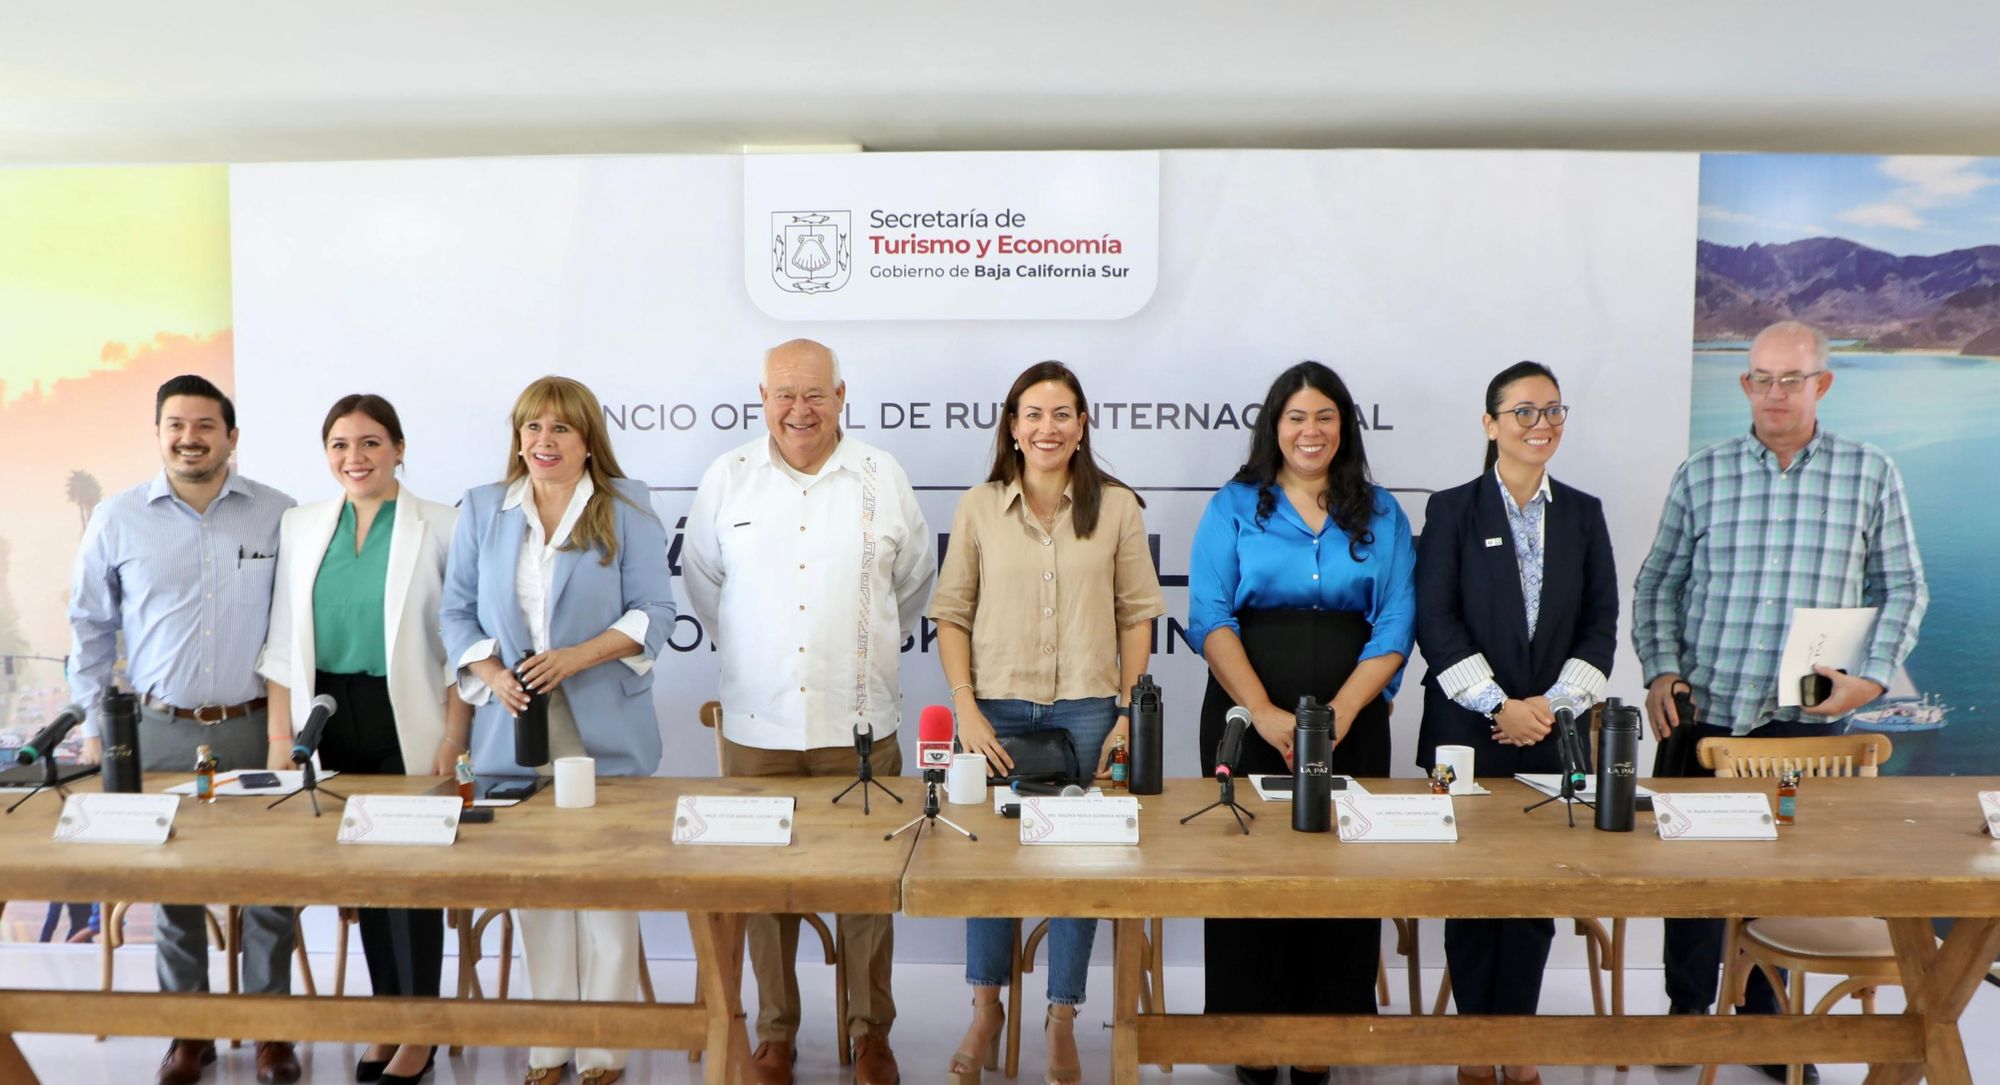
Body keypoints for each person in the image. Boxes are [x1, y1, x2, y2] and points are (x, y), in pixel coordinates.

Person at [1633, 320, 1927, 1085]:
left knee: (1784, 880)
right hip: (1702, 713)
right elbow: (1657, 582)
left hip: (1806, 724)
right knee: (1689, 879)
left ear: (1821, 384)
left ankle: (1768, 1028)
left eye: (1789, 379)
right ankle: (1686, 1016)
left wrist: (1870, 679)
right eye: (1759, 377)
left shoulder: (1871, 473)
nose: (1772, 393)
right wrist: (1661, 671)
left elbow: (1903, 588)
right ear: (1745, 385)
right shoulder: (1702, 472)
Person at [681, 339, 934, 1085]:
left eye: (815, 394)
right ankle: (776, 1035)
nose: (800, 409)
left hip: (860, 724)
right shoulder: (727, 480)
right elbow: (707, 585)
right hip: (757, 726)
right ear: (762, 396)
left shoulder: (880, 476)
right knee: (764, 890)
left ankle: (870, 1033)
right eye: (785, 394)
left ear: (842, 394)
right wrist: (766, 659)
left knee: (867, 888)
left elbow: (912, 584)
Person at [929, 361, 1164, 1085]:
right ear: (1012, 425)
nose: (1047, 427)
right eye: (1033, 414)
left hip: (1091, 710)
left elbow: (1136, 615)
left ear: (1083, 424)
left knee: (1078, 866)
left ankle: (1062, 1015)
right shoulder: (978, 505)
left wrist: (1126, 712)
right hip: (994, 709)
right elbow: (951, 613)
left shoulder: (1118, 508)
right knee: (989, 868)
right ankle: (986, 1005)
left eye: (1062, 413)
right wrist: (965, 706)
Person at [439, 376, 676, 1085]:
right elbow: (455, 614)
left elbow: (653, 614)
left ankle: (603, 1049)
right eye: (532, 428)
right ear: (518, 437)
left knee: (606, 888)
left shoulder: (627, 505)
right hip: (511, 726)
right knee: (536, 889)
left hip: (604, 722)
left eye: (561, 429)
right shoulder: (484, 507)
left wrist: (578, 655)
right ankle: (549, 1045)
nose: (544, 442)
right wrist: (493, 671)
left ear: (587, 439)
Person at [66, 374, 302, 1085]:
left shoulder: (279, 514)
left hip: (256, 727)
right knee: (174, 886)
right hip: (158, 730)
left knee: (270, 887)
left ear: (231, 435)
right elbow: (89, 625)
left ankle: (271, 1032)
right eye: (176, 424)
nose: (190, 437)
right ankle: (188, 1031)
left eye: (205, 425)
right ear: (160, 432)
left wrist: (286, 733)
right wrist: (94, 721)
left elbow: (297, 629)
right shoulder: (117, 517)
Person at [1187, 360, 1416, 1085]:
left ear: (1343, 425)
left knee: (1344, 867)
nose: (1310, 430)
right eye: (1295, 417)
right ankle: (1248, 1027)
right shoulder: (1234, 504)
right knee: (1245, 869)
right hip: (1245, 706)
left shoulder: (1380, 512)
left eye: (1324, 416)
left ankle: (1328, 1025)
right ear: (1273, 426)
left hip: (1354, 710)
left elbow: (1396, 622)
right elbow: (1209, 616)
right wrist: (1261, 709)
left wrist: (1343, 713)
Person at [1414, 361, 1616, 1085]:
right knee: (1466, 889)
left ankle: (1520, 1035)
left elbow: (1601, 629)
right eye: (1525, 411)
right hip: (1462, 733)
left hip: (1553, 735)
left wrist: (1550, 711)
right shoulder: (1453, 509)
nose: (1542, 425)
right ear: (1490, 422)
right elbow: (1434, 624)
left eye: (1554, 410)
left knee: (1534, 889)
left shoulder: (1585, 513)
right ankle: (1475, 1037)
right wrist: (1500, 705)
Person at [257, 394, 468, 1085]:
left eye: (372, 442)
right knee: (367, 875)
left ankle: (421, 1032)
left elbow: (458, 642)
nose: (356, 457)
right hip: (326, 714)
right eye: (341, 444)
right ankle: (388, 1017)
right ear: (327, 455)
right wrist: (279, 740)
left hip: (406, 716)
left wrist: (455, 737)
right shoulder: (301, 524)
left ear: (400, 448)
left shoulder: (440, 523)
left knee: (413, 875)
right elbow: (286, 639)